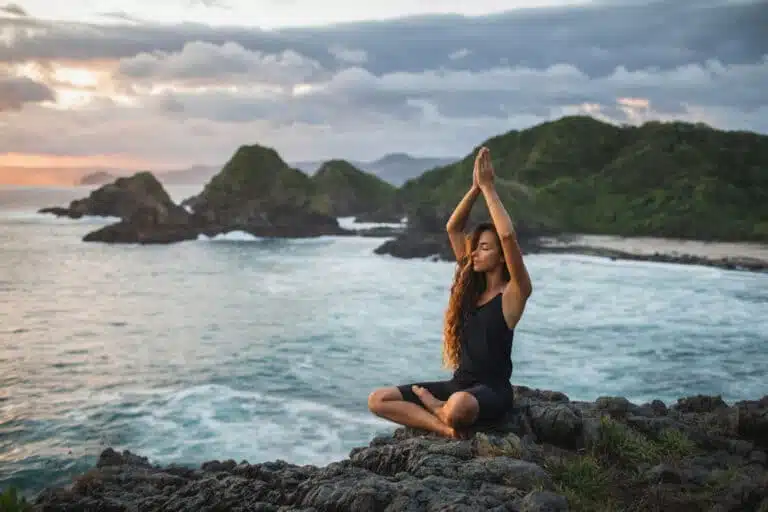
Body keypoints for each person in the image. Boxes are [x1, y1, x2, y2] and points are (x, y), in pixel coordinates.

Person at [368, 146, 533, 439]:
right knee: (378, 399)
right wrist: (474, 189)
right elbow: (453, 227)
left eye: (485, 248)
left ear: (500, 257)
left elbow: (507, 236)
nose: (477, 253)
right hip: (459, 384)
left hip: (491, 391)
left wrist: (489, 188)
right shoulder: (471, 287)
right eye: (476, 246)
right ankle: (442, 426)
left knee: (459, 406)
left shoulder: (513, 294)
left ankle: (441, 410)